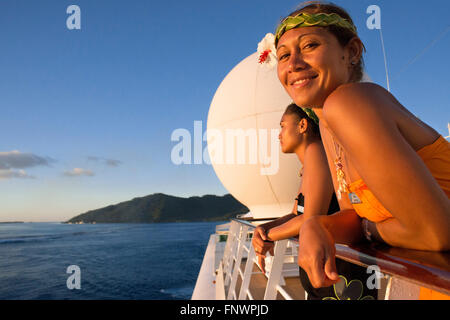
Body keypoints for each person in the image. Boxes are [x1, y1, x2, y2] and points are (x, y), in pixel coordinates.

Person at [273, 1, 450, 296]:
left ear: (351, 52)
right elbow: (354, 215)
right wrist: (317, 225)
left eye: (310, 46)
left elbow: (436, 233)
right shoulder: (328, 125)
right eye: (283, 55)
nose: (294, 64)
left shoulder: (348, 103)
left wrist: (368, 229)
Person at [251, 103, 377, 300]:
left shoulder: (317, 149)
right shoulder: (309, 163)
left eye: (283, 126)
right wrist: (264, 228)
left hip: (339, 276)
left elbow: (310, 218)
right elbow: (296, 214)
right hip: (325, 276)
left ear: (302, 125)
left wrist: (268, 236)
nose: (279, 134)